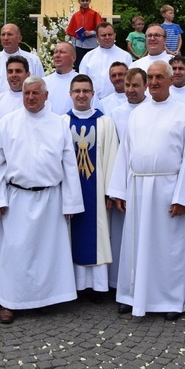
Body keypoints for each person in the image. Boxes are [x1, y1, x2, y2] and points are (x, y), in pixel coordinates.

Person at [0, 77, 84, 324]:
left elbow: (69, 165)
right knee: (14, 253)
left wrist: (70, 202)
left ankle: (44, 298)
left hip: (50, 197)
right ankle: (9, 301)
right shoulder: (7, 124)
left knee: (46, 254)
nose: (30, 97)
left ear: (46, 96)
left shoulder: (59, 124)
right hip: (17, 198)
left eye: (35, 93)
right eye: (27, 93)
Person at [107, 61, 185, 320]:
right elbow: (125, 152)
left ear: (171, 80)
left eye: (160, 77)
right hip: (137, 186)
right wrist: (119, 191)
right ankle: (131, 295)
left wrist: (182, 196)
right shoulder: (138, 113)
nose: (155, 81)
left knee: (168, 247)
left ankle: (169, 300)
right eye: (151, 77)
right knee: (135, 244)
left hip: (168, 189)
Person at [63, 75, 118, 301]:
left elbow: (112, 157)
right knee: (69, 234)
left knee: (97, 233)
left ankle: (97, 286)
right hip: (71, 190)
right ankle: (73, 286)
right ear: (70, 94)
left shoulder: (105, 122)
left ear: (93, 94)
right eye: (77, 91)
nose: (81, 95)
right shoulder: (61, 123)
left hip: (96, 191)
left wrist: (109, 192)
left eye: (86, 90)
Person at [108, 67, 149, 289]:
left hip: (147, 182)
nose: (131, 90)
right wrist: (115, 190)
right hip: (123, 181)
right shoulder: (116, 113)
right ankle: (121, 284)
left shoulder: (151, 110)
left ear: (146, 86)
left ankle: (144, 285)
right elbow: (114, 152)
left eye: (135, 85)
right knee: (124, 236)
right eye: (127, 85)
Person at [0, 23, 44, 96]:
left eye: (9, 34)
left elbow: (41, 87)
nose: (6, 38)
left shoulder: (33, 60)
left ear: (19, 38)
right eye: (3, 35)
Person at [79, 22, 132, 101]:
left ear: (115, 35)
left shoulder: (125, 56)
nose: (107, 37)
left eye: (110, 34)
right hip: (92, 102)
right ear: (97, 37)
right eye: (103, 35)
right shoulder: (88, 57)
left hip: (118, 101)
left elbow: (130, 80)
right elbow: (82, 80)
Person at [66, 0, 104, 70]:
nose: (85, 2)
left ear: (90, 1)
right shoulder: (76, 16)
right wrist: (73, 47)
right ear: (79, 1)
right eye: (83, 1)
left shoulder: (94, 14)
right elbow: (72, 33)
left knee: (92, 66)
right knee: (78, 66)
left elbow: (101, 29)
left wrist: (91, 33)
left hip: (91, 45)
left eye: (87, 0)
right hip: (79, 45)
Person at [0, 56, 29, 127]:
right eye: (10, 72)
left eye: (18, 71)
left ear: (28, 75)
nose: (14, 75)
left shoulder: (34, 101)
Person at [44, 42, 79, 115]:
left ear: (73, 57)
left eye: (62, 52)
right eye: (55, 52)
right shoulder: (44, 82)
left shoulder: (81, 82)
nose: (57, 55)